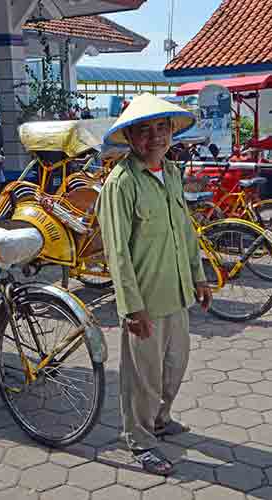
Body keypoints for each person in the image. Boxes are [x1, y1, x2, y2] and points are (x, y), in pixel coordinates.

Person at [96, 93, 212, 476]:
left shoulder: (172, 174)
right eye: (143, 130)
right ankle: (141, 440)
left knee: (175, 366)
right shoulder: (121, 183)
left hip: (176, 294)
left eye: (161, 128)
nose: (155, 137)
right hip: (144, 299)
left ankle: (161, 419)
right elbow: (117, 252)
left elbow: (185, 230)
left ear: (171, 132)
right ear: (130, 138)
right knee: (142, 379)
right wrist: (132, 308)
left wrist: (199, 277)